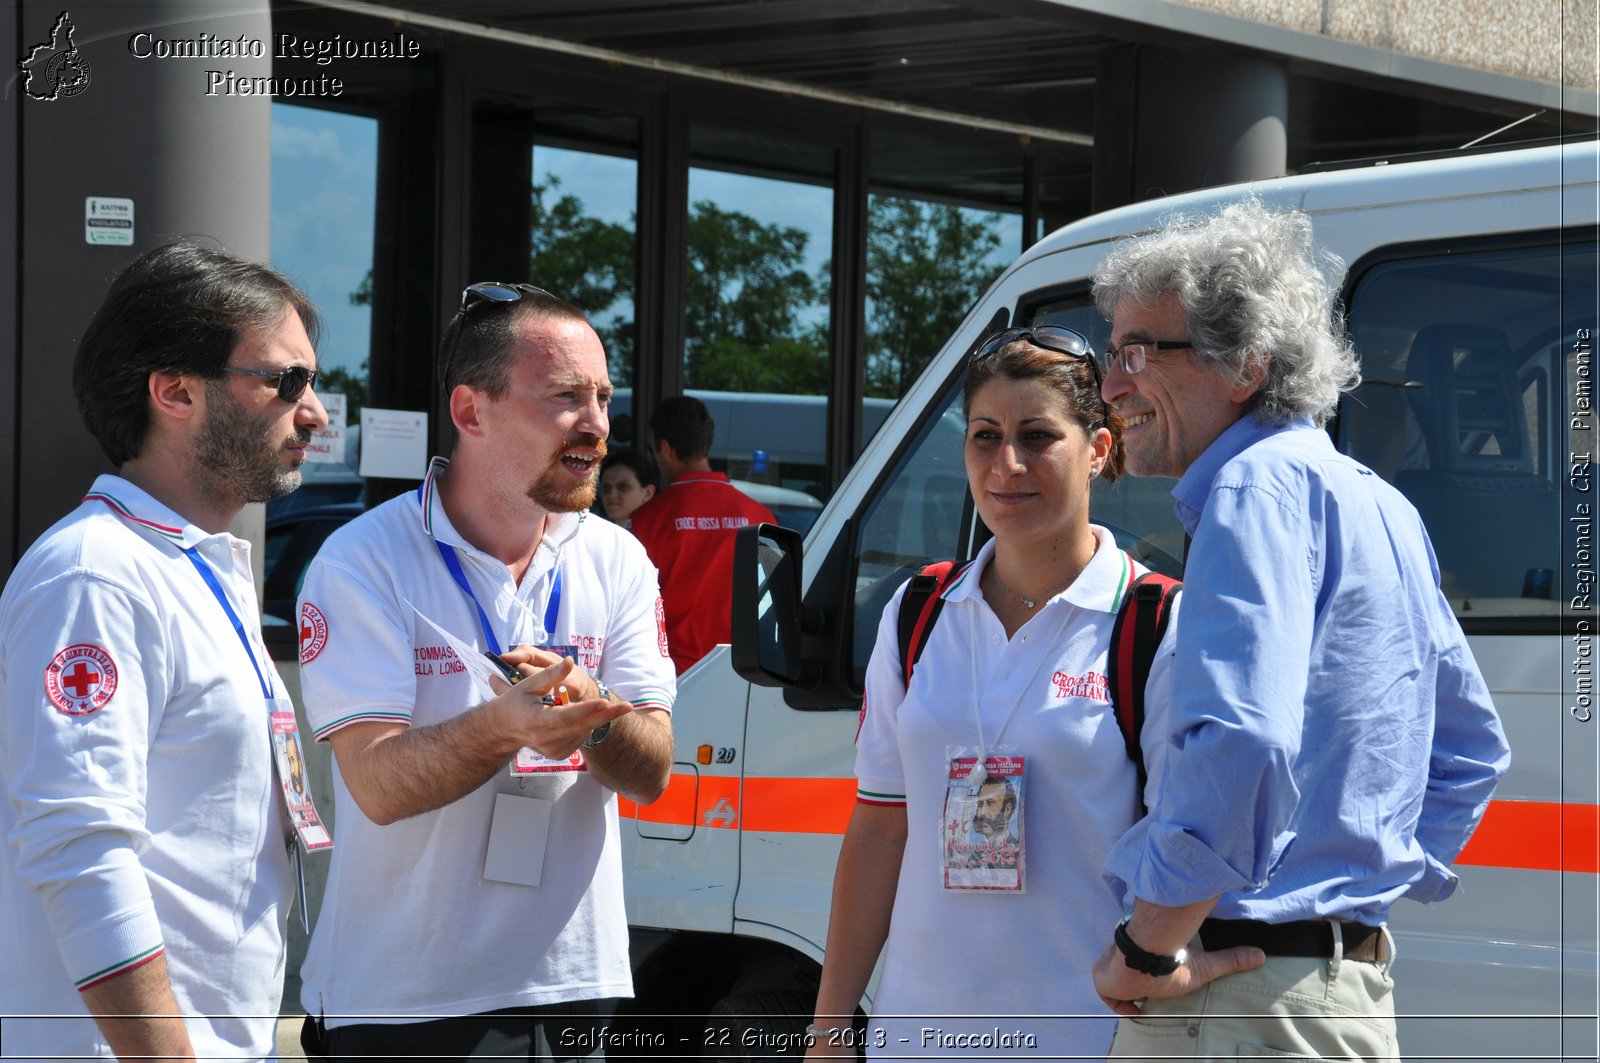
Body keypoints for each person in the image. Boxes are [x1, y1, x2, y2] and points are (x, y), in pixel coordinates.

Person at [1088, 200, 1512, 1060]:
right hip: (1341, 990)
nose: (1110, 385)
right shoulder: (1381, 503)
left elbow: (1241, 738)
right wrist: (1353, 886)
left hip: (1241, 995)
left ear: (1244, 365)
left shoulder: (1249, 489)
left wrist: (1147, 945)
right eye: (1111, 352)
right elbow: (1470, 750)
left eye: (1138, 351)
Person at [295, 281, 676, 1058]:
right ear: (471, 411)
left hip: (573, 986)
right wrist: (508, 724)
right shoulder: (363, 559)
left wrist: (593, 710)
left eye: (603, 396)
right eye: (566, 396)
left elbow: (651, 771)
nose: (599, 424)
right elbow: (374, 785)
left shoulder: (617, 556)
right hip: (402, 997)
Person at [808, 328, 1200, 1060]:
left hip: (1090, 1040)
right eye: (984, 436)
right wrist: (830, 1029)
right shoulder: (919, 610)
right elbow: (880, 830)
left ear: (1100, 450)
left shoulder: (1156, 623)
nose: (1006, 464)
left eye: (1037, 435)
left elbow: (1195, 844)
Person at [0, 241, 329, 1060]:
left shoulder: (189, 566)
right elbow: (80, 850)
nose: (315, 410)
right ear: (174, 390)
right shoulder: (97, 575)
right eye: (286, 380)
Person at [627, 395, 775, 673]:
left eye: (653, 449)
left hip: (673, 675)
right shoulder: (761, 517)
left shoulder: (646, 521)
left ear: (665, 448)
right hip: (745, 676)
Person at [597, 448, 659, 524]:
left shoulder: (662, 532)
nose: (612, 495)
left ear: (647, 493)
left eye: (623, 486)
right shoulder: (592, 532)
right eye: (606, 487)